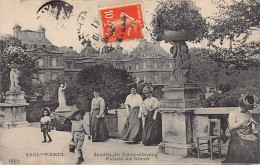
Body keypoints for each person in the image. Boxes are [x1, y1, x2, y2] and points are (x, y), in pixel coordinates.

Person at [223, 94, 258, 164]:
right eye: (245, 108)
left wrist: (252, 122)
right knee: (241, 142)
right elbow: (231, 126)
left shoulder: (248, 113)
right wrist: (241, 122)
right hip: (235, 133)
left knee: (255, 139)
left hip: (246, 132)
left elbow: (251, 122)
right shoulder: (233, 113)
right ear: (241, 106)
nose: (246, 110)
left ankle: (251, 159)